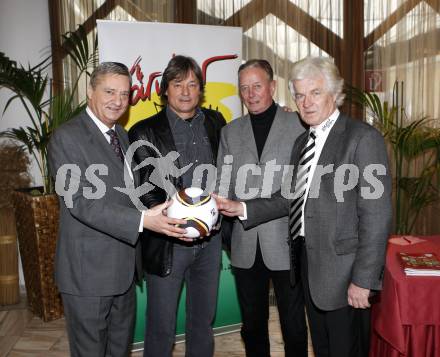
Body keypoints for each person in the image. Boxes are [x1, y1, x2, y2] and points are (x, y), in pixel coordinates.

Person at [215, 56, 392, 357]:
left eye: (315, 93)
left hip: (345, 274)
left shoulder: (361, 138)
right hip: (309, 269)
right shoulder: (304, 143)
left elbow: (376, 216)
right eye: (299, 95)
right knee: (322, 348)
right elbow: (289, 198)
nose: (306, 102)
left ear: (334, 93)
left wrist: (363, 280)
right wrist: (242, 208)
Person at [48, 62, 186, 357]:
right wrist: (143, 221)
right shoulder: (66, 138)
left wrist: (157, 210)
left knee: (119, 351)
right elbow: (81, 203)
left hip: (124, 270)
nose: (117, 101)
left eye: (124, 94)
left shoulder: (123, 136)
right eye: (109, 91)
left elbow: (129, 195)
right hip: (87, 276)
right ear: (90, 92)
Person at [128, 55, 226, 357]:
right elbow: (141, 188)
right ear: (165, 89)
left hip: (211, 243)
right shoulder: (143, 130)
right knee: (160, 327)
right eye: (177, 84)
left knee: (202, 323)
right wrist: (174, 218)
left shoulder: (216, 122)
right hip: (167, 243)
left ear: (201, 90)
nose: (185, 91)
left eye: (193, 84)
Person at [216, 59, 307, 357]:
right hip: (244, 245)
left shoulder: (300, 125)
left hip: (287, 242)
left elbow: (298, 191)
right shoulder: (230, 132)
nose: (251, 93)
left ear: (272, 86)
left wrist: (243, 207)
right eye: (244, 88)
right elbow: (224, 184)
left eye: (257, 86)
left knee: (293, 325)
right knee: (252, 326)